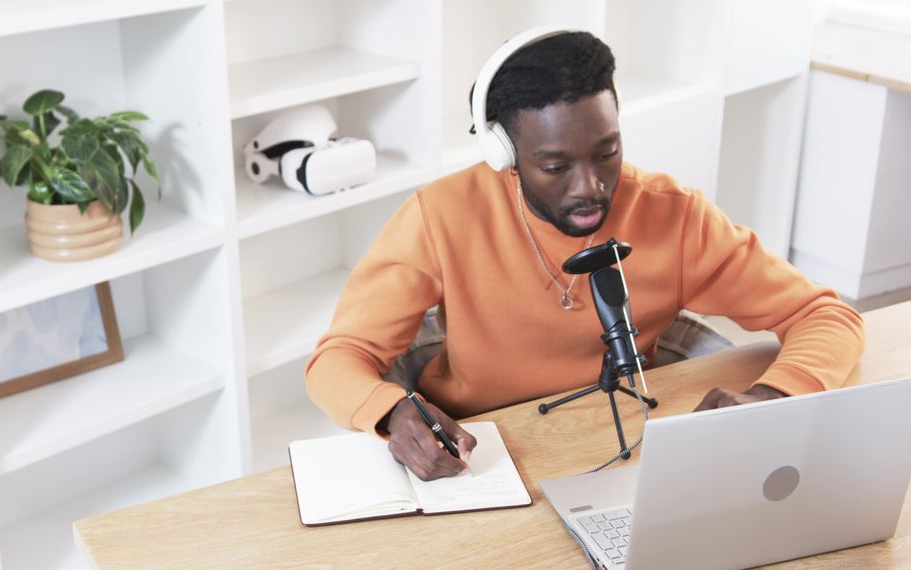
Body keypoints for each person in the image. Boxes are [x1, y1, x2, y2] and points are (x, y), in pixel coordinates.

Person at [304, 29, 865, 481]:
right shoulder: (442, 216)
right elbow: (337, 357)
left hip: (625, 444)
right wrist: (392, 411)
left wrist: (772, 395)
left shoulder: (674, 215)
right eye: (555, 166)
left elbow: (826, 316)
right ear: (506, 154)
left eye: (607, 152)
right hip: (481, 456)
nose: (590, 187)